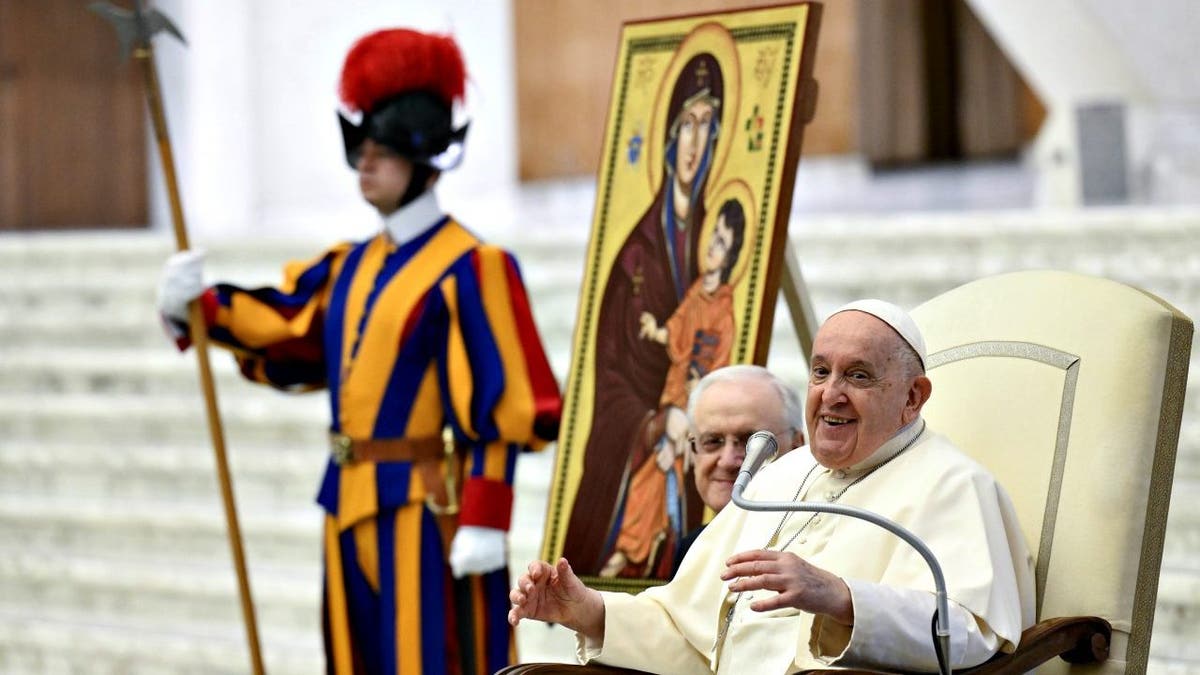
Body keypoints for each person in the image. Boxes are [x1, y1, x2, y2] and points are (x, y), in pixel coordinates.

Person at [155, 28, 562, 675]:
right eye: (361, 150)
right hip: (344, 499)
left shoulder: (470, 267)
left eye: (383, 152)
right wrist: (204, 304)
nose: (365, 165)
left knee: (430, 660)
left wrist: (487, 514)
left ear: (423, 157)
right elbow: (291, 327)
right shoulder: (349, 265)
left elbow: (499, 406)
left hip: (427, 513)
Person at [508, 300, 1036, 673]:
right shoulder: (782, 475)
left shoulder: (956, 485)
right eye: (821, 371)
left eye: (857, 376)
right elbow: (692, 635)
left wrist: (842, 598)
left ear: (913, 397)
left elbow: (972, 636)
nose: (831, 395)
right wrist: (590, 612)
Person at [564, 52, 725, 574]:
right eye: (686, 125)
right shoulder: (635, 255)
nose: (694, 142)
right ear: (669, 136)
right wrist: (657, 423)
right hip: (646, 439)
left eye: (706, 126)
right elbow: (609, 378)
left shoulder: (718, 239)